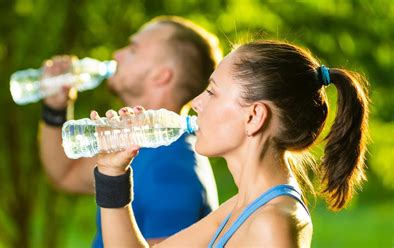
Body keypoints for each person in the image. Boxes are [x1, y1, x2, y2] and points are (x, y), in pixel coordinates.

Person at [92, 40, 370, 247]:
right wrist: (112, 173)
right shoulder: (244, 206)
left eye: (212, 92)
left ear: (253, 117)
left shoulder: (271, 224)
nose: (197, 103)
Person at [38, 16, 223, 247]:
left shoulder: (173, 168)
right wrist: (55, 109)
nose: (117, 54)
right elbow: (64, 174)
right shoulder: (137, 143)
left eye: (133, 49)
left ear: (161, 75)